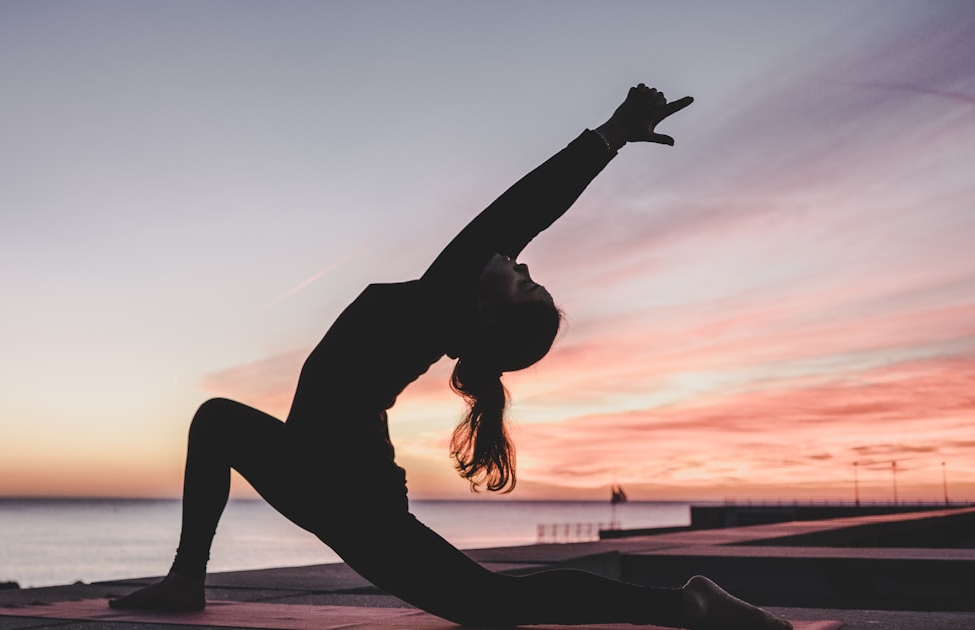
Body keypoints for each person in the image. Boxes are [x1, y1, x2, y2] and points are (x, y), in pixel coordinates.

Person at [112, 84, 791, 630]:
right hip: (320, 471)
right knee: (217, 421)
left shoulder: (444, 298)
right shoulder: (442, 310)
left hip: (345, 491)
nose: (519, 262)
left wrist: (609, 136)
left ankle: (684, 606)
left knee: (493, 608)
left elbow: (523, 209)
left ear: (488, 312)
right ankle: (186, 579)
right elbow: (518, 225)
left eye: (523, 281)